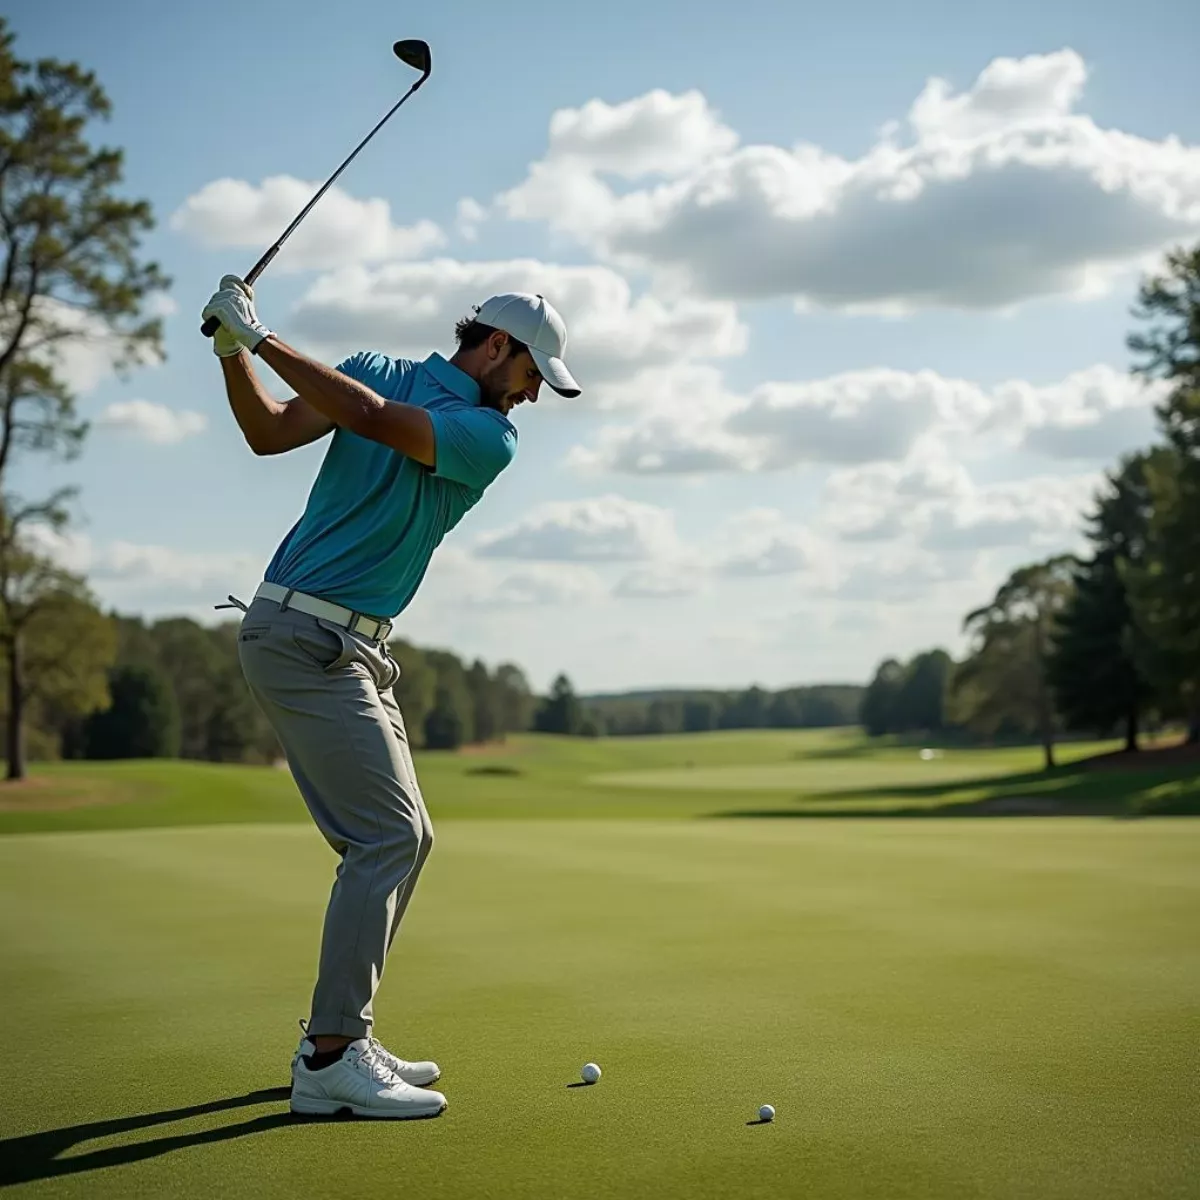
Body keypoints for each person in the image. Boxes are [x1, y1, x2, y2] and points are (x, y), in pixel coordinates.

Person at [201, 275, 581, 1119]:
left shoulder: (488, 436)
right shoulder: (374, 372)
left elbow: (372, 418)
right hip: (302, 637)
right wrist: (237, 354)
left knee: (410, 838)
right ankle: (331, 1055)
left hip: (357, 650)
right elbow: (267, 433)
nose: (532, 394)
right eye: (530, 373)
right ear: (495, 346)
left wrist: (256, 336)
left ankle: (341, 1036)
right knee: (388, 836)